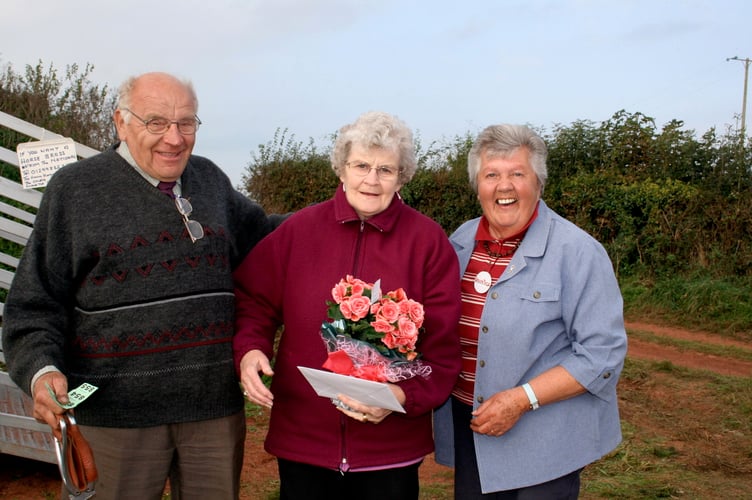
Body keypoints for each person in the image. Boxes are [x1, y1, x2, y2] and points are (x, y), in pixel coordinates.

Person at [2, 72, 282, 499]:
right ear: (120, 122)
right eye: (156, 122)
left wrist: (343, 210)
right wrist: (41, 372)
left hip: (211, 413)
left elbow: (269, 241)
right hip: (112, 418)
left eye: (186, 123)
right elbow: (33, 305)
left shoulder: (210, 181)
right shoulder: (75, 191)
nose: (174, 138)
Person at [233, 111, 462, 500]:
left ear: (402, 176)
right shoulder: (298, 231)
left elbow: (442, 346)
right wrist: (250, 349)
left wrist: (400, 398)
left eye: (385, 169)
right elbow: (253, 299)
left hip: (389, 449)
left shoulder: (427, 241)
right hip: (304, 441)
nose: (371, 179)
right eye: (361, 165)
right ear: (341, 168)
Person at [433, 124, 627, 499]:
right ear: (478, 185)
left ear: (538, 182)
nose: (504, 186)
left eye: (517, 174)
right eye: (492, 175)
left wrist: (522, 399)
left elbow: (602, 354)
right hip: (472, 429)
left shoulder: (578, 252)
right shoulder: (459, 241)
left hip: (546, 439)